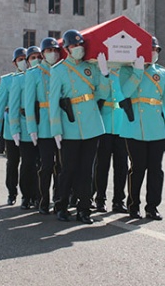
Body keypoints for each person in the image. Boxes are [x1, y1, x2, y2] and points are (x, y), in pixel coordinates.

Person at [49, 29, 110, 224]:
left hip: (91, 124)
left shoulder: (90, 68)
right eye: (74, 46)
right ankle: (62, 205)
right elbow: (53, 103)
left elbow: (103, 94)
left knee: (86, 170)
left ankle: (84, 209)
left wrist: (104, 73)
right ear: (66, 49)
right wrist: (56, 130)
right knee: (68, 169)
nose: (78, 49)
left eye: (80, 45)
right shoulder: (58, 70)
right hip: (71, 125)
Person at [118, 36, 165, 220]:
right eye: (150, 49)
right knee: (137, 168)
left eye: (156, 50)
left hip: (156, 129)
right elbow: (125, 92)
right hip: (134, 128)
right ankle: (133, 205)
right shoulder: (127, 70)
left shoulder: (163, 73)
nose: (154, 53)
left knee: (155, 170)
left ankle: (152, 206)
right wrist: (137, 71)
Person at [25, 37, 62, 215]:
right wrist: (32, 127)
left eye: (55, 50)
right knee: (46, 165)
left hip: (62, 125)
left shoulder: (62, 70)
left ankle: (59, 198)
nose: (52, 54)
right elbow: (29, 102)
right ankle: (43, 199)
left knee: (61, 166)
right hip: (45, 127)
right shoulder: (34, 74)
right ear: (42, 54)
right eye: (48, 51)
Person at [93, 61, 129, 214]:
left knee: (122, 166)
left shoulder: (127, 71)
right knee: (102, 165)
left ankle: (119, 201)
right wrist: (104, 73)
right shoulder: (100, 69)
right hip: (105, 125)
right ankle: (100, 199)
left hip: (122, 125)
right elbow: (99, 94)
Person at [9, 46, 41, 209]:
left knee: (41, 165)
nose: (37, 60)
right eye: (33, 57)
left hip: (44, 128)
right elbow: (13, 107)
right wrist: (14, 129)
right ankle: (26, 195)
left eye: (39, 56)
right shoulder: (20, 79)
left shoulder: (47, 74)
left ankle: (38, 195)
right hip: (26, 128)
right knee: (28, 164)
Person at [0, 48, 26, 203]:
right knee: (13, 162)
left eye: (24, 58)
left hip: (29, 126)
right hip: (10, 127)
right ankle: (12, 193)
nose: (23, 62)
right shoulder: (7, 80)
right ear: (14, 62)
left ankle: (28, 194)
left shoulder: (32, 76)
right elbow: (0, 105)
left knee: (28, 163)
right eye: (19, 59)